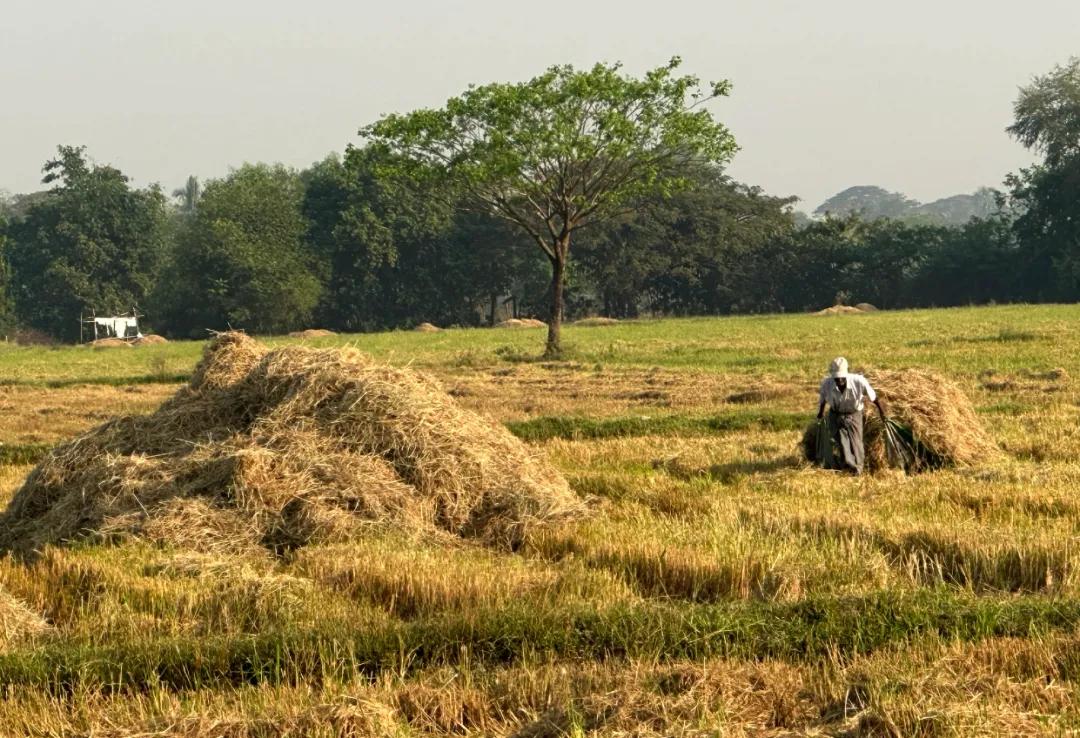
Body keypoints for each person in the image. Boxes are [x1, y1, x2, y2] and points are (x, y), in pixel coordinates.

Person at [816, 357, 884, 474]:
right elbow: (823, 399)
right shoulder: (827, 383)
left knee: (856, 443)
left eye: (841, 377)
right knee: (842, 443)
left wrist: (882, 412)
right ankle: (849, 466)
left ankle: (859, 468)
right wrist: (821, 413)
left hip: (854, 413)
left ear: (846, 374)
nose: (839, 380)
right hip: (836, 415)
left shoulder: (858, 381)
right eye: (836, 378)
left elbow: (873, 397)